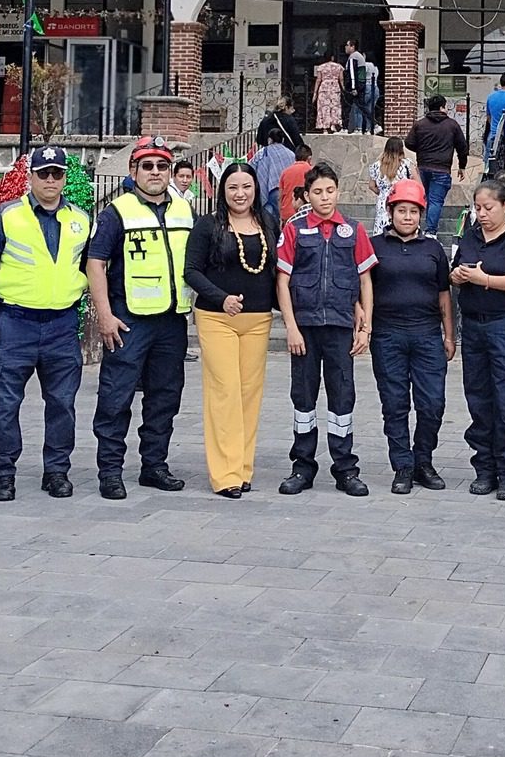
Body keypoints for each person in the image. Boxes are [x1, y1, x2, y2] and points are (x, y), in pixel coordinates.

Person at [0, 144, 90, 503]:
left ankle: (56, 471)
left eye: (57, 173)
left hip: (61, 325)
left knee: (62, 404)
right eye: (44, 173)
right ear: (31, 177)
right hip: (15, 323)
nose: (51, 180)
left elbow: (91, 268)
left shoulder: (81, 219)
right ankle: (2, 474)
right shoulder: (8, 216)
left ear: (64, 178)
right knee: (5, 404)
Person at [86, 136, 195, 501]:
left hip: (171, 321)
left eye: (162, 166)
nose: (155, 172)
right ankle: (110, 470)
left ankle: (154, 466)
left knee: (165, 397)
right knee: (116, 397)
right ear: (133, 171)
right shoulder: (116, 212)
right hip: (128, 320)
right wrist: (104, 314)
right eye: (147, 166)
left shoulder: (183, 210)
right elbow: (95, 263)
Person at [276, 162, 377, 495]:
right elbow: (283, 280)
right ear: (306, 195)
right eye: (317, 192)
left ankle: (345, 469)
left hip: (339, 328)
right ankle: (302, 468)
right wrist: (290, 326)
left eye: (329, 190)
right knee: (303, 399)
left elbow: (365, 279)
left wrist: (366, 327)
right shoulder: (295, 229)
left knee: (342, 397)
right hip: (304, 328)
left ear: (338, 191)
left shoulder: (353, 230)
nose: (324, 198)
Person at [185, 160, 276, 499]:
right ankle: (225, 475)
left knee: (249, 395)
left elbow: (276, 269)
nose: (240, 193)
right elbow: (191, 271)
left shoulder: (267, 221)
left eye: (246, 187)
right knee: (225, 392)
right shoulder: (208, 226)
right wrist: (220, 298)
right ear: (222, 190)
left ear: (255, 189)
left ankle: (243, 468)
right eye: (233, 187)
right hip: (217, 318)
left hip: (258, 320)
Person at [451, 176, 505, 501]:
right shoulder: (471, 236)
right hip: (474, 326)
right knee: (479, 397)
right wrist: (458, 274)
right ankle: (484, 468)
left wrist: (485, 279)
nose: (482, 214)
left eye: (488, 207)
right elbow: (456, 266)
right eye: (477, 208)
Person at [369, 177, 455, 494]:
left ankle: (423, 462)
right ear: (391, 212)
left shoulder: (433, 249)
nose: (407, 217)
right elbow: (363, 291)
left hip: (427, 335)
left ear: (421, 214)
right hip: (387, 335)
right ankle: (403, 466)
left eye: (414, 211)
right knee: (395, 404)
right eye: (401, 210)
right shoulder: (375, 247)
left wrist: (449, 335)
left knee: (432, 403)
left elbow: (444, 294)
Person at [405, 93, 469, 233]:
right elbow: (462, 147)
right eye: (445, 107)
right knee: (435, 201)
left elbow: (409, 143)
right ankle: (430, 232)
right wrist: (462, 166)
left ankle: (417, 229)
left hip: (423, 167)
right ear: (442, 107)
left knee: (423, 198)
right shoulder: (452, 125)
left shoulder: (420, 124)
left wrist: (421, 150)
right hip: (442, 169)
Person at [367, 133, 414, 234]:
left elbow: (371, 186)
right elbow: (417, 184)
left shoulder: (376, 166)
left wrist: (383, 192)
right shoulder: (406, 164)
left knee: (381, 232)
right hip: (401, 200)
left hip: (383, 202)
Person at [250, 133, 295, 227]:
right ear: (282, 140)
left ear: (269, 139)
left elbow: (251, 166)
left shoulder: (263, 152)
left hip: (270, 189)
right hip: (287, 190)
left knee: (269, 215)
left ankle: (271, 235)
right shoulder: (290, 154)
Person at [342, 38, 372, 133]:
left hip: (356, 86)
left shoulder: (353, 57)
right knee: (361, 106)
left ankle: (345, 127)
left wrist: (353, 87)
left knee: (347, 105)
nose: (345, 47)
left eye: (347, 45)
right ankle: (373, 125)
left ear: (352, 46)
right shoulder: (359, 56)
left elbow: (352, 73)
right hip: (361, 84)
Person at [279, 141, 314, 221]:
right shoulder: (313, 172)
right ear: (309, 158)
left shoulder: (285, 172)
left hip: (287, 214)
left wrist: (280, 215)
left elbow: (280, 197)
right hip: (307, 215)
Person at [313, 52, 344, 132]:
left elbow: (318, 80)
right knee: (335, 106)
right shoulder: (339, 67)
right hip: (335, 87)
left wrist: (315, 93)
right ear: (332, 57)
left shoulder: (321, 67)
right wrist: (343, 88)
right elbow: (341, 79)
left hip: (324, 87)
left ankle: (325, 128)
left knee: (324, 107)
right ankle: (334, 125)